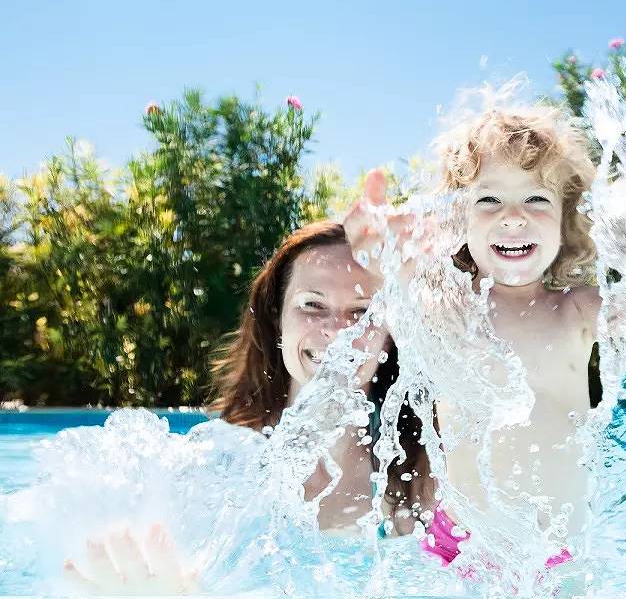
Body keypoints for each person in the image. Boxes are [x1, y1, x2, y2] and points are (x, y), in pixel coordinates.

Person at [345, 102, 626, 565]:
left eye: (536, 199)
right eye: (488, 200)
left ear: (566, 219)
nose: (512, 217)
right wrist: (378, 250)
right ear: (456, 219)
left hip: (553, 555)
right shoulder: (449, 309)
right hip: (458, 545)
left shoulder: (575, 310)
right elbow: (396, 295)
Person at [63, 220, 433, 593]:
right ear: (277, 317)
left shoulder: (423, 473)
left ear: (390, 331)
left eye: (361, 310)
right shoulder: (218, 467)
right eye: (312, 305)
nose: (336, 330)